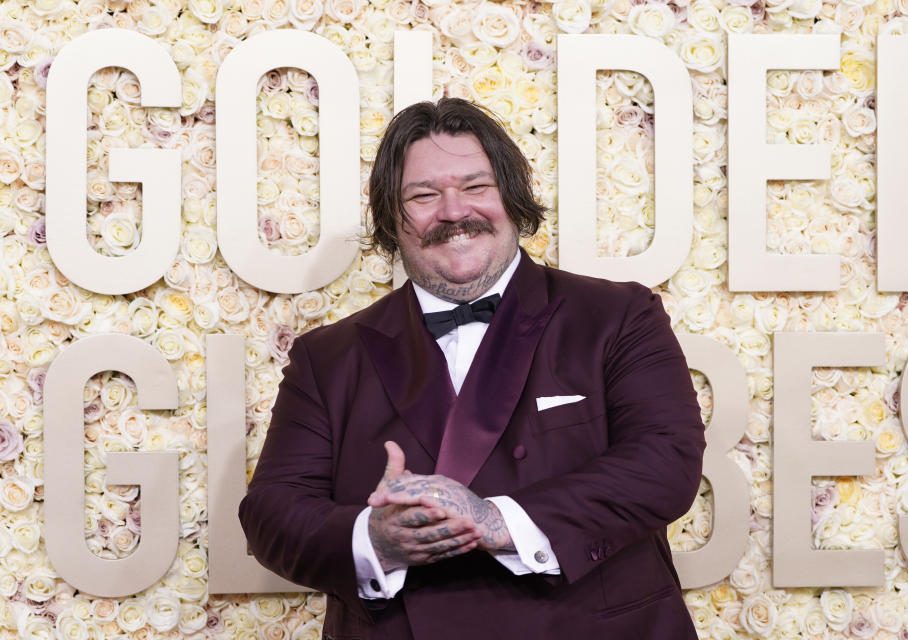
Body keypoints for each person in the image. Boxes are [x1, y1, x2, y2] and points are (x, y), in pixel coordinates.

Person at [239, 98, 705, 639]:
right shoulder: (328, 357)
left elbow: (664, 463)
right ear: (392, 216)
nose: (454, 210)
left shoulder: (617, 315)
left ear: (511, 196)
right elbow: (272, 515)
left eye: (476, 187)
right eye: (423, 195)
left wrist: (492, 521)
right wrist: (375, 538)